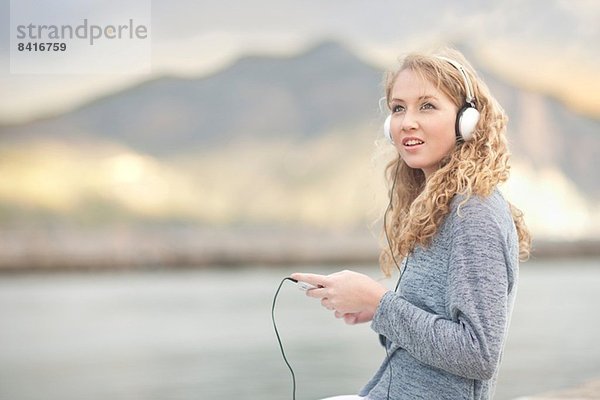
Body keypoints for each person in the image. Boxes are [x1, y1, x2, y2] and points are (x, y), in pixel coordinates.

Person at [291, 47, 531, 400]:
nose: (407, 122)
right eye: (398, 108)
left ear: (467, 120)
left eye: (427, 106)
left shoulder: (474, 213)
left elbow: (478, 354)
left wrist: (381, 302)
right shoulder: (442, 206)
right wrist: (375, 309)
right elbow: (426, 334)